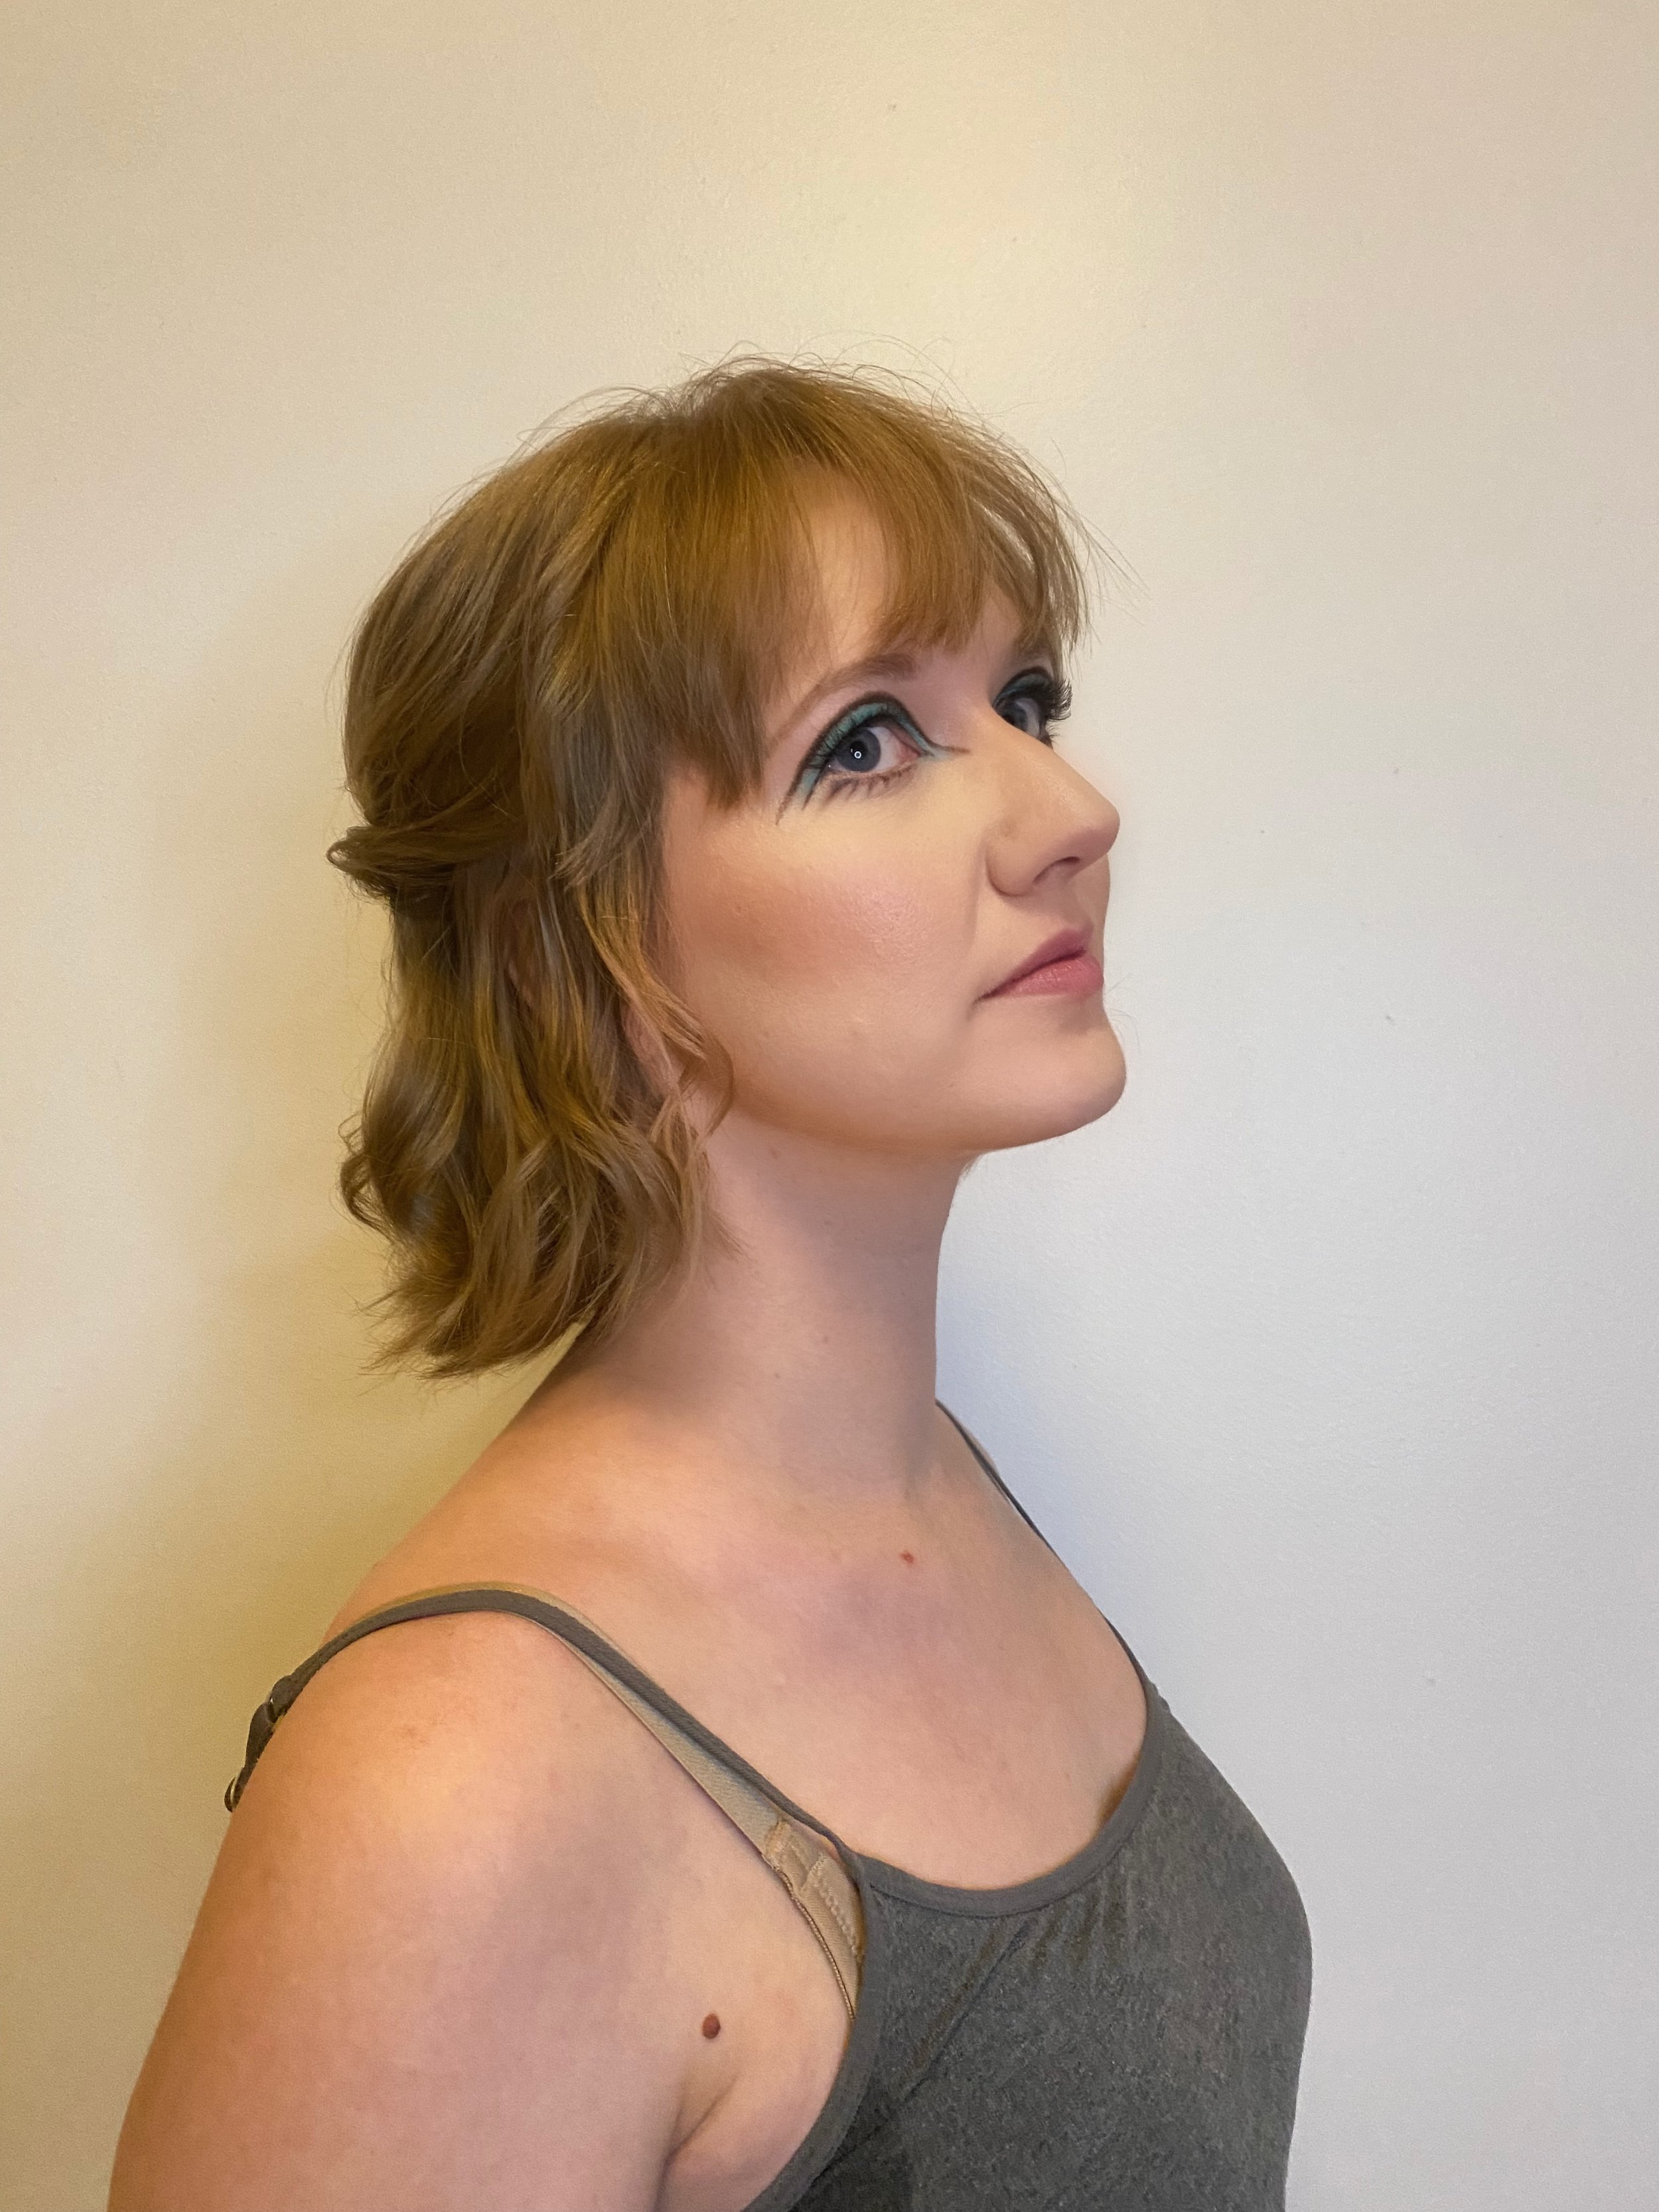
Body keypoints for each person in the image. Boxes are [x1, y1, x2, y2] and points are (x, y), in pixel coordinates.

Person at [110, 358, 1311, 2211]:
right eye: (862, 742)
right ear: (580, 950)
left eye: (1021, 696)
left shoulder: (936, 1489)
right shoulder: (456, 1793)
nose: (1071, 807)